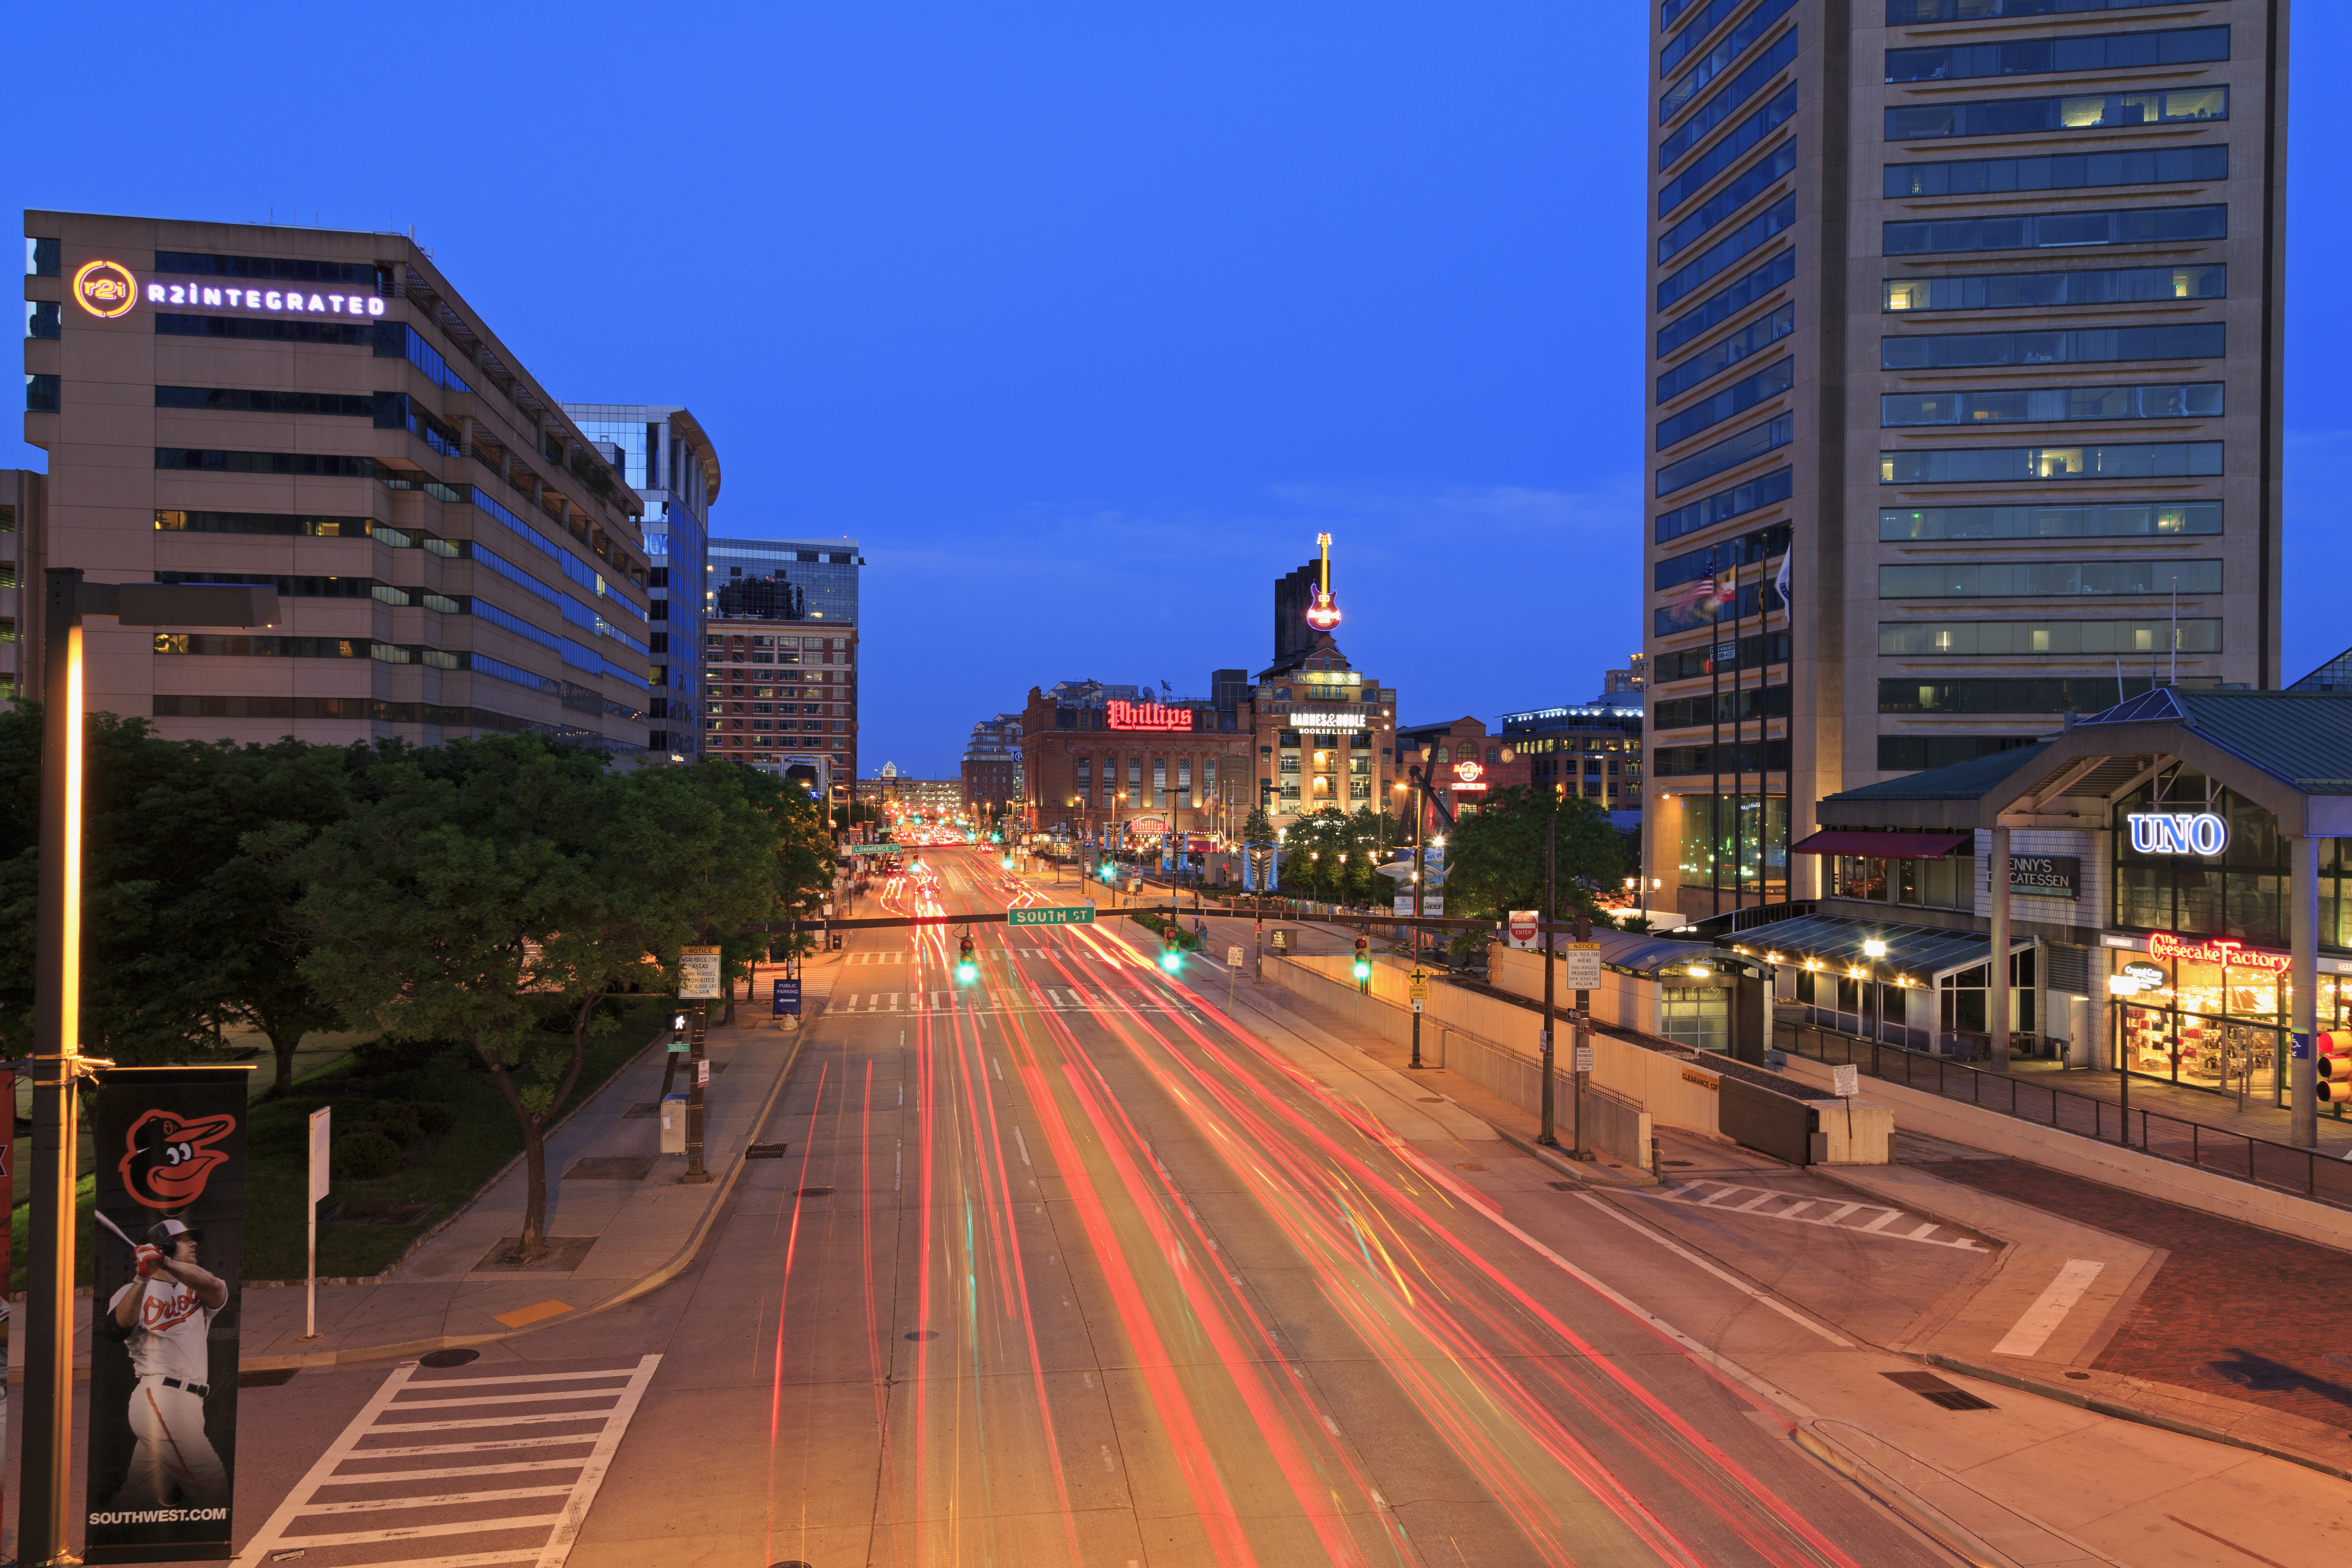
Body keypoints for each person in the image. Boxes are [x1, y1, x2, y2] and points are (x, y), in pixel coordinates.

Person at [102, 1217, 229, 1508]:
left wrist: (167, 1264)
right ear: (166, 1245)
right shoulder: (129, 1293)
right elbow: (115, 1329)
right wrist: (142, 1278)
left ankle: (114, 1543)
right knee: (211, 1481)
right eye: (185, 1239)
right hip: (159, 1396)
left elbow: (215, 1288)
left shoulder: (195, 1286)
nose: (194, 1243)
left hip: (192, 1402)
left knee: (139, 1496)